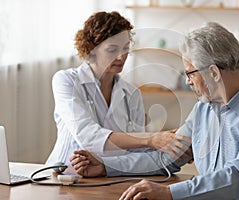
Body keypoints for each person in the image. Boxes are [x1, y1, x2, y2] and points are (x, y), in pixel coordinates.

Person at [70, 22, 239, 199]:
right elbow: (166, 157)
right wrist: (107, 166)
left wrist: (168, 193)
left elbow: (237, 177)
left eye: (190, 72)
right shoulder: (204, 109)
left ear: (214, 73)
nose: (187, 81)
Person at [46, 11, 191, 166]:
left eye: (125, 48)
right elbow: (88, 136)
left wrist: (175, 147)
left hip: (108, 176)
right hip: (64, 174)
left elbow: (138, 149)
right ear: (92, 48)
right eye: (112, 49)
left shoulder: (131, 93)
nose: (121, 57)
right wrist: (151, 139)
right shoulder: (66, 81)